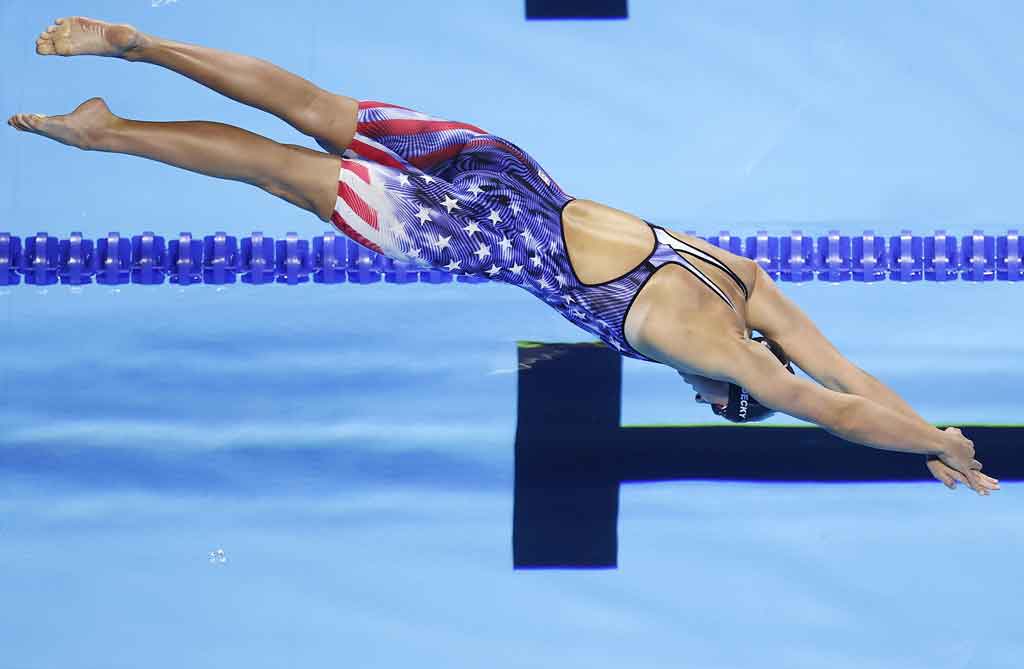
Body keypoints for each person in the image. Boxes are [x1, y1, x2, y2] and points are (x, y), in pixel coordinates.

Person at [8, 17, 998, 496]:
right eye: (712, 396)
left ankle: (137, 45)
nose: (701, 394)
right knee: (279, 172)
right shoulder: (724, 356)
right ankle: (107, 133)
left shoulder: (747, 288)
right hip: (472, 233)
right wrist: (931, 445)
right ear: (731, 386)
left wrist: (928, 428)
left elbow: (843, 370)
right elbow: (828, 405)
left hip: (512, 173)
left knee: (315, 111)